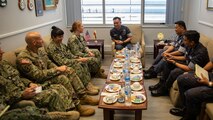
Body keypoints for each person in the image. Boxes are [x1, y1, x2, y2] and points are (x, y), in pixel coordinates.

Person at [16, 32, 98, 115]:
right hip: (37, 86)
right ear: (34, 42)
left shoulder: (39, 51)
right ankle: (74, 107)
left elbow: (48, 62)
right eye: (40, 39)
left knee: (68, 70)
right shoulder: (24, 58)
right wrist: (57, 70)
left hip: (46, 78)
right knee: (63, 79)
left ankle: (83, 96)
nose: (43, 41)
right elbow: (38, 75)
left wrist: (59, 69)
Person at [0, 47, 80, 119]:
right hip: (19, 99)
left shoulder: (4, 63)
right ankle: (64, 116)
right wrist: (22, 94)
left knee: (59, 87)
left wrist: (29, 83)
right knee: (52, 93)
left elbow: (19, 77)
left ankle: (70, 109)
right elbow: (3, 100)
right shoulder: (23, 57)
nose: (2, 51)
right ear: (34, 43)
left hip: (30, 90)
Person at [151, 30, 209, 96]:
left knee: (175, 72)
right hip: (188, 64)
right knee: (167, 62)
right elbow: (186, 57)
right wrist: (172, 57)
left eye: (185, 40)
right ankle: (161, 84)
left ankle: (165, 89)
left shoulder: (200, 53)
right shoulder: (190, 45)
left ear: (192, 42)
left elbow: (189, 68)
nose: (183, 42)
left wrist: (174, 62)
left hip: (195, 71)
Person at [47, 26, 99, 95]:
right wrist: (77, 60)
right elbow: (62, 61)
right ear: (53, 37)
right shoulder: (52, 48)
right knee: (78, 65)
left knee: (83, 62)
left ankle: (87, 84)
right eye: (59, 37)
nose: (61, 39)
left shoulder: (62, 45)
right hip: (60, 66)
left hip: (68, 61)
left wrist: (78, 58)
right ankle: (85, 88)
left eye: (62, 36)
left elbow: (69, 55)